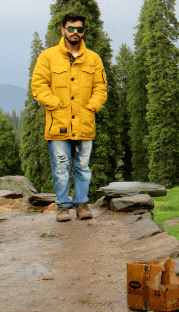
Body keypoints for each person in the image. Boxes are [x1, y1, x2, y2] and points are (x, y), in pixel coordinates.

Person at [31, 13, 107, 222]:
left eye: (79, 29)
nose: (75, 33)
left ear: (84, 32)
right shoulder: (48, 56)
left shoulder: (93, 58)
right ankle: (63, 206)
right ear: (62, 30)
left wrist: (91, 107)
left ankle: (82, 204)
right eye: (71, 28)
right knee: (61, 167)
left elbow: (100, 87)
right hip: (59, 124)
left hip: (84, 123)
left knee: (83, 167)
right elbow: (38, 87)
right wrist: (56, 105)